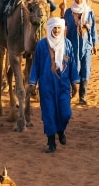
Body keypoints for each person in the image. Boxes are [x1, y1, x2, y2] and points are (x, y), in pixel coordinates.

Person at [28, 17, 78, 153]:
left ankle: (61, 130)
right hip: (46, 85)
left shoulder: (67, 44)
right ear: (50, 29)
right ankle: (51, 142)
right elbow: (36, 65)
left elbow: (72, 63)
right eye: (54, 28)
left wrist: (74, 83)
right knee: (49, 113)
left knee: (66, 113)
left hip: (63, 85)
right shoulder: (41, 45)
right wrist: (33, 83)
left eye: (58, 28)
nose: (56, 30)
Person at [63, 0, 98, 105]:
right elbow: (63, 26)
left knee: (85, 69)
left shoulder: (89, 12)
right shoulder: (68, 12)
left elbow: (93, 29)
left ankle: (82, 97)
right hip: (72, 45)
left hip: (86, 45)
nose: (78, 0)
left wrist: (94, 44)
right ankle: (70, 93)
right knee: (73, 68)